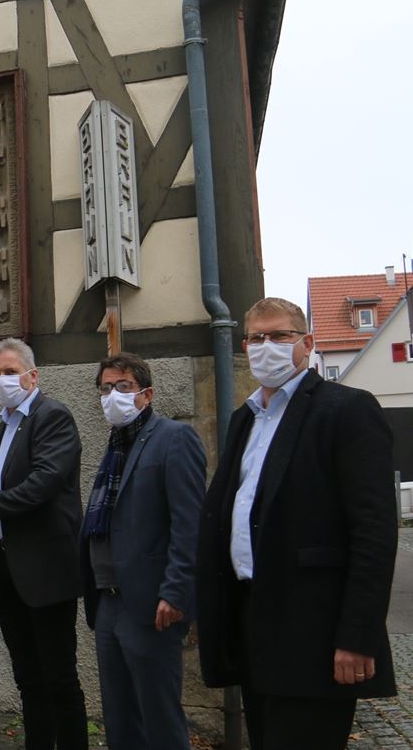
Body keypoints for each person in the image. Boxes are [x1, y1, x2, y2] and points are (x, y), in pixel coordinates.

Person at [197, 297, 397, 750]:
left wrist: (358, 635)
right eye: (256, 338)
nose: (266, 346)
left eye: (280, 336)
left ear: (306, 343)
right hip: (253, 624)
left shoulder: (346, 409)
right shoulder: (244, 419)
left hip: (316, 632)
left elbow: (374, 531)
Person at [0, 337, 88, 750]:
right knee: (28, 679)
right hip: (6, 570)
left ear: (33, 375)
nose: (2, 380)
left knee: (59, 678)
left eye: (10, 372)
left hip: (45, 570)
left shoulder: (53, 416)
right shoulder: (7, 422)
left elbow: (43, 484)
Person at [79, 353, 205, 750]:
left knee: (159, 719)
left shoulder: (173, 437)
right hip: (109, 602)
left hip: (152, 604)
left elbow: (189, 523)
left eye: (124, 387)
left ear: (146, 394)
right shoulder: (115, 447)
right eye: (105, 388)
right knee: (119, 719)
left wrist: (175, 591)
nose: (112, 395)